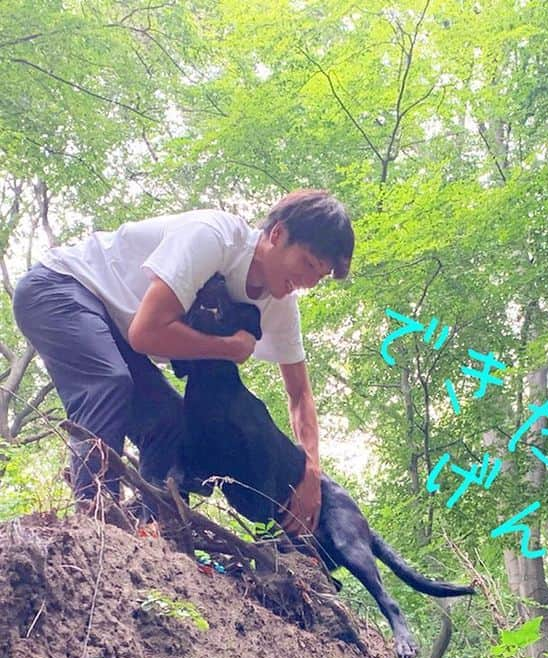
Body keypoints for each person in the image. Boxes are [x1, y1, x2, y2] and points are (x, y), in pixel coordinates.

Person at [11, 189, 354, 534]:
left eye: (319, 275)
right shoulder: (213, 237)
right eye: (308, 263)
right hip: (58, 288)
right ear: (277, 234)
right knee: (109, 383)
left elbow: (300, 395)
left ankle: (154, 532)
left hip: (112, 327)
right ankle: (95, 523)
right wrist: (228, 348)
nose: (308, 282)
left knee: (169, 421)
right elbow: (145, 334)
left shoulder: (280, 302)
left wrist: (311, 471)